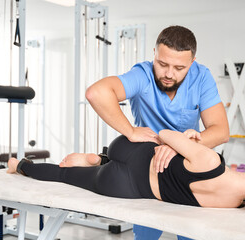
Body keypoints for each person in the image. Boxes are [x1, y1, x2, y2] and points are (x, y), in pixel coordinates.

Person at [85, 25, 229, 238]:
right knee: (145, 235)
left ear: (192, 62)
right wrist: (131, 131)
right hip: (150, 167)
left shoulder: (201, 77)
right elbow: (96, 93)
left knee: (190, 232)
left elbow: (221, 131)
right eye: (162, 64)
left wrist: (179, 146)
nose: (169, 74)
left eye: (179, 68)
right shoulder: (142, 74)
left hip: (188, 165)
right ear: (154, 53)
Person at [7, 129, 245, 222]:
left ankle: (101, 156)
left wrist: (189, 138)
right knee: (62, 175)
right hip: (124, 187)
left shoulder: (211, 160)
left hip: (132, 151)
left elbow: (163, 133)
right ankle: (19, 165)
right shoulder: (232, 205)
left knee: (149, 137)